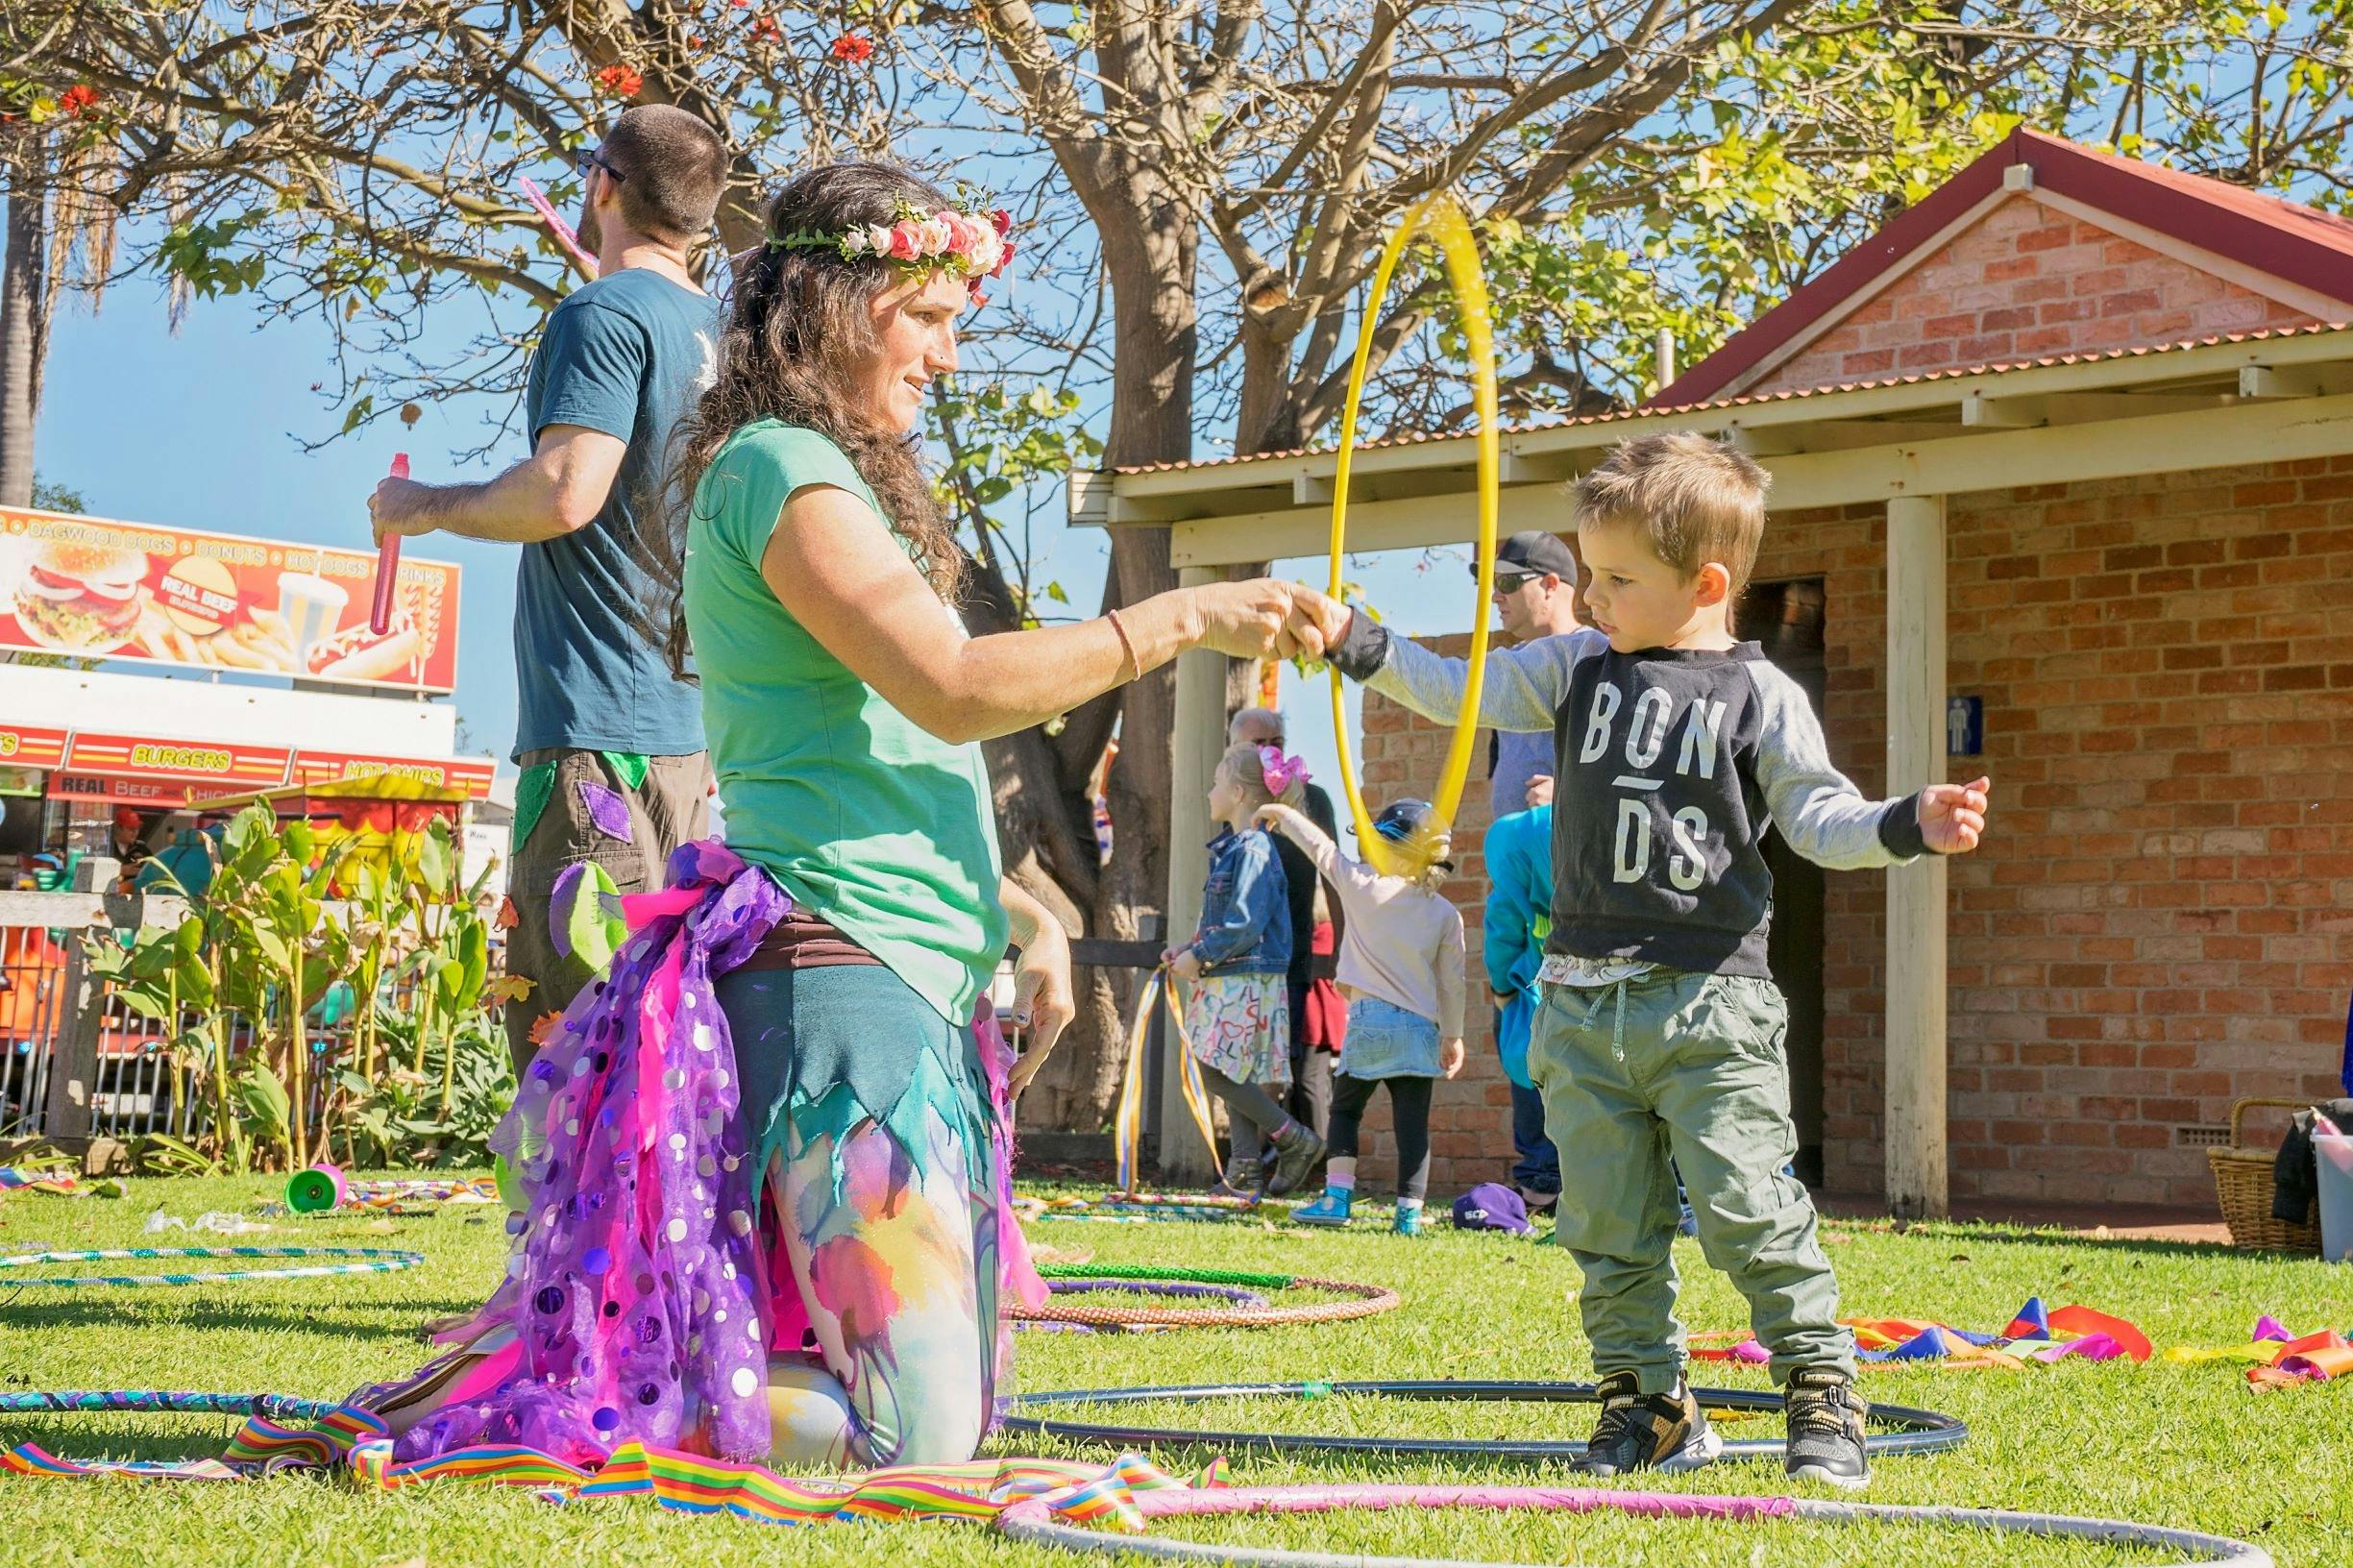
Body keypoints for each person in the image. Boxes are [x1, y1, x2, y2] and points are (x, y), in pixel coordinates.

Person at [360, 162, 1334, 1475]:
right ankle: (576, 1406)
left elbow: (861, 759)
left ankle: (619, 1389)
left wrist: (1018, 910)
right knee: (914, 1436)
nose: (947, 355)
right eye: (924, 317)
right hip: (841, 982)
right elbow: (951, 688)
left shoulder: (827, 478)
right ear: (831, 305)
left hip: (903, 973)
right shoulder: (782, 468)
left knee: (940, 1418)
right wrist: (1180, 616)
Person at [1310, 431, 1990, 1488]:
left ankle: (1820, 1390)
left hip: (1710, 1005)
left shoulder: (1761, 696)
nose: (1589, 597)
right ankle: (1649, 1406)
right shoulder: (1574, 667)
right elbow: (1455, 691)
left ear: (1704, 584)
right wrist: (1357, 641)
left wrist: (1907, 822)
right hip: (1580, 1006)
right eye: (1587, 572)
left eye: (1617, 579)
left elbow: (1819, 819)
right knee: (1605, 1228)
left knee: (1748, 1211)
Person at [367, 105, 732, 1071]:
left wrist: (423, 504)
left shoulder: (601, 318)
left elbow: (567, 492)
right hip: (690, 743)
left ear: (602, 185)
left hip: (593, 744)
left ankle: (582, 1189)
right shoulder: (721, 333)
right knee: (658, 1047)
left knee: (575, 1053)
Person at [1259, 797, 1466, 1237]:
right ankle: (1409, 1216)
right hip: (1420, 1028)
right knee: (1412, 1125)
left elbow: (1321, 849)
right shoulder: (1444, 913)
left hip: (1370, 1022)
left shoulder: (1361, 886)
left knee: (1346, 1110)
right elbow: (1453, 982)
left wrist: (1284, 814)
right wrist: (1453, 1035)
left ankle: (1336, 1199)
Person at [1164, 744, 1326, 1200]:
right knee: (1231, 1069)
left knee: (1215, 1068)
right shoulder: (1238, 848)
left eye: (1217, 783)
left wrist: (1202, 955)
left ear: (1237, 793)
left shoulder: (1254, 848)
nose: (1209, 792)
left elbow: (1245, 922)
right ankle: (1244, 1170)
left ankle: (1293, 1137)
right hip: (1231, 974)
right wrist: (1190, 949)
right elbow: (1228, 921)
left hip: (1243, 979)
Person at [1229, 706, 1345, 1140]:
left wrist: (1341, 946)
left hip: (1292, 956)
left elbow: (1333, 873)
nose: (1268, 752)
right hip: (1235, 959)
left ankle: (1281, 1152)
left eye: (1276, 743)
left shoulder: (1312, 798)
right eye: (1257, 744)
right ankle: (1250, 1156)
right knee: (1237, 1065)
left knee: (1281, 1067)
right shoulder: (1228, 793)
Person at [1482, 800, 1560, 1215]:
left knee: (1530, 1075)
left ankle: (1542, 1180)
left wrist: (1501, 991)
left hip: (1538, 995)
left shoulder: (1517, 868)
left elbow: (1501, 933)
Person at [1482, 529, 1583, 816]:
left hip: (1564, 839)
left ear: (1550, 585)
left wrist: (1567, 793)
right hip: (1514, 839)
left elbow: (1628, 760)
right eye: (1494, 583)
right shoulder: (1510, 665)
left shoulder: (1593, 659)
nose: (1496, 596)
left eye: (1507, 582)